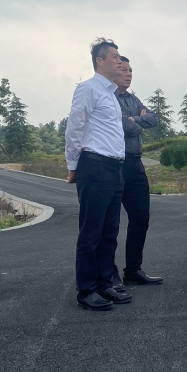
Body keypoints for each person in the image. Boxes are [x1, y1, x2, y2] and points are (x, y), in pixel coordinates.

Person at [65, 40, 131, 311]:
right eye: (115, 57)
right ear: (99, 61)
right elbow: (75, 127)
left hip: (114, 168)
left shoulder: (111, 94)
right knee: (91, 231)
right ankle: (86, 289)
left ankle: (105, 283)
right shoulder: (89, 89)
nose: (120, 61)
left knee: (109, 231)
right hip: (94, 165)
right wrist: (73, 165)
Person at [112, 56, 162, 286]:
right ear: (114, 71)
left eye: (131, 70)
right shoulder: (109, 98)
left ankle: (133, 269)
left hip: (136, 164)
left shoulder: (133, 99)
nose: (129, 74)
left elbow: (154, 118)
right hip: (116, 164)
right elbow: (124, 126)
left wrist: (134, 120)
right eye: (124, 70)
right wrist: (137, 120)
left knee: (140, 218)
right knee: (111, 222)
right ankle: (109, 273)